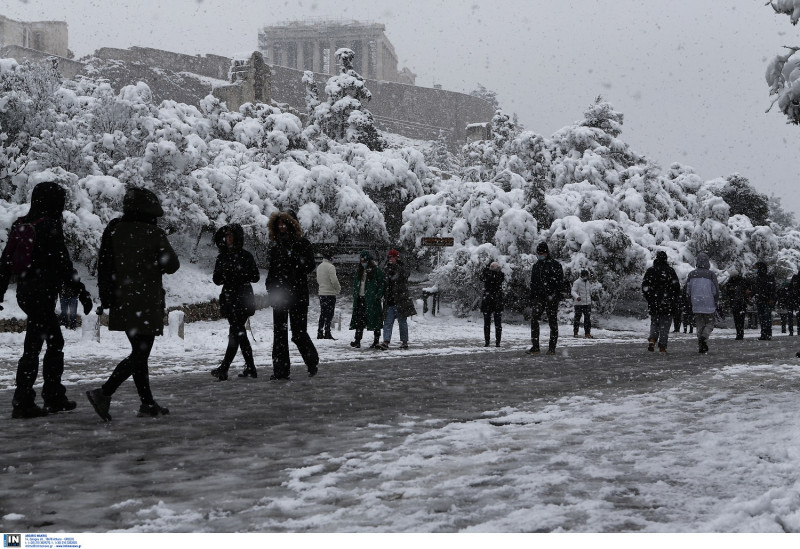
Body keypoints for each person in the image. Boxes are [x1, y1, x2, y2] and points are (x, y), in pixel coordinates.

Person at [0, 181, 93, 418]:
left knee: (37, 344)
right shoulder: (49, 226)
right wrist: (82, 291)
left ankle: (36, 397)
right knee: (48, 344)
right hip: (42, 294)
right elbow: (63, 264)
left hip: (25, 293)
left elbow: (6, 260)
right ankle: (37, 399)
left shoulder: (22, 223)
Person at [86, 187, 179, 422]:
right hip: (145, 301)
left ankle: (147, 403)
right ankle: (104, 392)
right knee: (140, 353)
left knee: (139, 352)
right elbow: (172, 265)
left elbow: (105, 264)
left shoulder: (115, 230)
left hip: (122, 300)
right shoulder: (153, 232)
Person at [264, 211, 319, 380]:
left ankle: (312, 360)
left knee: (298, 333)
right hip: (280, 294)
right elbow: (273, 269)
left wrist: (295, 264)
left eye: (285, 223)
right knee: (279, 334)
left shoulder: (302, 243)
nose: (282, 226)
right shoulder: (275, 246)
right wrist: (270, 285)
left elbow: (309, 265)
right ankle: (280, 370)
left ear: (292, 224)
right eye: (279, 223)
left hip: (298, 294)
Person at [210, 224, 260, 381]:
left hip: (243, 299)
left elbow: (255, 276)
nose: (228, 238)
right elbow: (216, 279)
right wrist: (226, 274)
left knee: (236, 332)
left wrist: (239, 273)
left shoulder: (246, 256)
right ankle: (250, 368)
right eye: (226, 235)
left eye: (231, 235)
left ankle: (224, 368)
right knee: (239, 333)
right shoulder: (222, 257)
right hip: (229, 299)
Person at [527, 242, 564, 355]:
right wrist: (532, 296)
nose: (539, 255)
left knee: (552, 322)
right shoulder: (536, 266)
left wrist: (555, 294)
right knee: (534, 320)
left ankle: (552, 348)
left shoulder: (555, 265)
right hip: (539, 297)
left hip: (552, 297)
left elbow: (560, 282)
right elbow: (533, 283)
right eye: (538, 253)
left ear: (546, 253)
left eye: (541, 253)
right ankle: (535, 346)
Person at [641, 250, 680, 353]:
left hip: (654, 302)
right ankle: (662, 346)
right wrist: (673, 298)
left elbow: (645, 286)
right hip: (668, 302)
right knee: (665, 325)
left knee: (654, 322)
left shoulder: (650, 271)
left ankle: (652, 339)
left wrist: (650, 298)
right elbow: (676, 287)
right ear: (665, 259)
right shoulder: (670, 271)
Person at [378, 249, 416, 350]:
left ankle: (404, 341)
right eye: (389, 257)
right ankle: (386, 341)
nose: (391, 259)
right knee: (387, 322)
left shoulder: (402, 267)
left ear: (397, 257)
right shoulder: (386, 268)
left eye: (392, 257)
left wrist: (396, 267)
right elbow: (384, 281)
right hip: (389, 300)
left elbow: (405, 275)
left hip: (400, 300)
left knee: (402, 322)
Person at [685, 252, 720, 354]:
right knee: (710, 323)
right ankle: (704, 337)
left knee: (699, 324)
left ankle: (701, 344)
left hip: (696, 302)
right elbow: (715, 290)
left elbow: (688, 290)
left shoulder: (691, 274)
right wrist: (716, 300)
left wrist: (690, 301)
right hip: (709, 302)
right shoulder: (711, 275)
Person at [349, 250, 384, 349]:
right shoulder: (359, 271)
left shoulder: (376, 271)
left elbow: (382, 284)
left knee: (375, 320)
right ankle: (357, 340)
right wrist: (355, 294)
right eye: (361, 260)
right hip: (361, 298)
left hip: (372, 299)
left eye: (364, 261)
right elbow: (356, 284)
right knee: (360, 320)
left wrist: (378, 295)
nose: (362, 262)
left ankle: (376, 341)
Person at [316, 250, 341, 340]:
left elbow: (318, 279)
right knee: (330, 314)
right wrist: (338, 289)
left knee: (323, 313)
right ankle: (327, 332)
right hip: (330, 293)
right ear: (330, 257)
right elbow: (334, 280)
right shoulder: (331, 267)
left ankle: (319, 332)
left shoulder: (319, 267)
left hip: (322, 293)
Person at [479, 261, 504, 347]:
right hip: (492, 300)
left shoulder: (499, 275)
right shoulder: (489, 274)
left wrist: (490, 272)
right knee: (490, 323)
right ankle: (489, 341)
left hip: (492, 300)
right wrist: (488, 271)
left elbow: (495, 280)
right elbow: (482, 278)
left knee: (494, 323)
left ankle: (495, 342)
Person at [751, 260, 776, 341]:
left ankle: (767, 334)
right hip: (760, 300)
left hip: (766, 300)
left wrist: (771, 298)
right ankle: (764, 334)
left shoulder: (768, 277)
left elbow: (772, 289)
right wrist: (751, 295)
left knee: (766, 318)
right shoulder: (757, 278)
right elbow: (755, 289)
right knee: (762, 318)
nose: (755, 269)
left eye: (756, 268)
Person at [722, 268, 750, 340]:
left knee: (738, 319)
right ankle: (740, 333)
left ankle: (739, 333)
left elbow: (728, 292)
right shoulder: (740, 281)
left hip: (737, 302)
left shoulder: (733, 282)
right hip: (738, 302)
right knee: (739, 319)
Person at [571, 269, 594, 339]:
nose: (587, 277)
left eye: (587, 275)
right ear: (582, 275)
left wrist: (591, 299)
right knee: (577, 318)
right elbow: (573, 291)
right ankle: (575, 332)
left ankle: (587, 333)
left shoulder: (588, 283)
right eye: (585, 275)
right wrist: (577, 297)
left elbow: (589, 292)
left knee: (587, 319)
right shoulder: (577, 282)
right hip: (579, 304)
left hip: (587, 304)